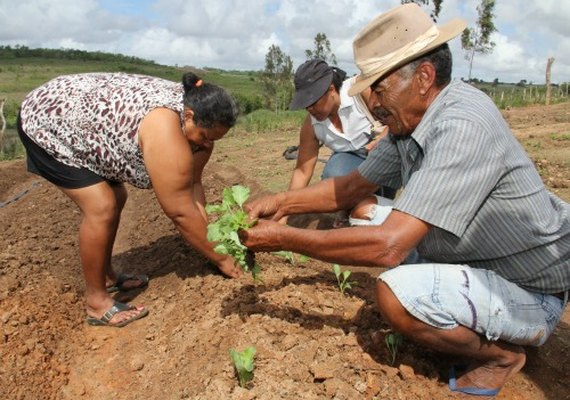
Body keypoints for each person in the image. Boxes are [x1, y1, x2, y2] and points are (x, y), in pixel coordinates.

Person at [240, 3, 569, 397]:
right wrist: (281, 203)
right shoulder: (407, 125)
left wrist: (283, 238)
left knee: (395, 295)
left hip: (527, 288)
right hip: (469, 256)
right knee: (362, 211)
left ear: (424, 77)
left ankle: (500, 355)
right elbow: (349, 188)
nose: (374, 104)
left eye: (379, 88)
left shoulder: (461, 125)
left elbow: (389, 247)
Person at [18, 72, 243, 328]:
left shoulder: (196, 125)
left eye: (214, 139)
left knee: (117, 195)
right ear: (189, 115)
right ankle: (96, 303)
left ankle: (107, 276)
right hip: (49, 120)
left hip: (92, 120)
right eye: (205, 136)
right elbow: (180, 211)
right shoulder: (164, 127)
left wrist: (209, 240)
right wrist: (223, 259)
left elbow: (193, 185)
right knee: (102, 206)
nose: (207, 144)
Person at [285, 59, 396, 226]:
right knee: (334, 173)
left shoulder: (360, 92)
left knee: (379, 210)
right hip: (352, 164)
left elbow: (401, 115)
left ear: (331, 89)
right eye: (306, 105)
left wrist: (386, 133)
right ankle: (351, 211)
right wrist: (284, 211)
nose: (310, 109)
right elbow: (302, 171)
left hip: (388, 158)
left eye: (314, 102)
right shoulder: (311, 125)